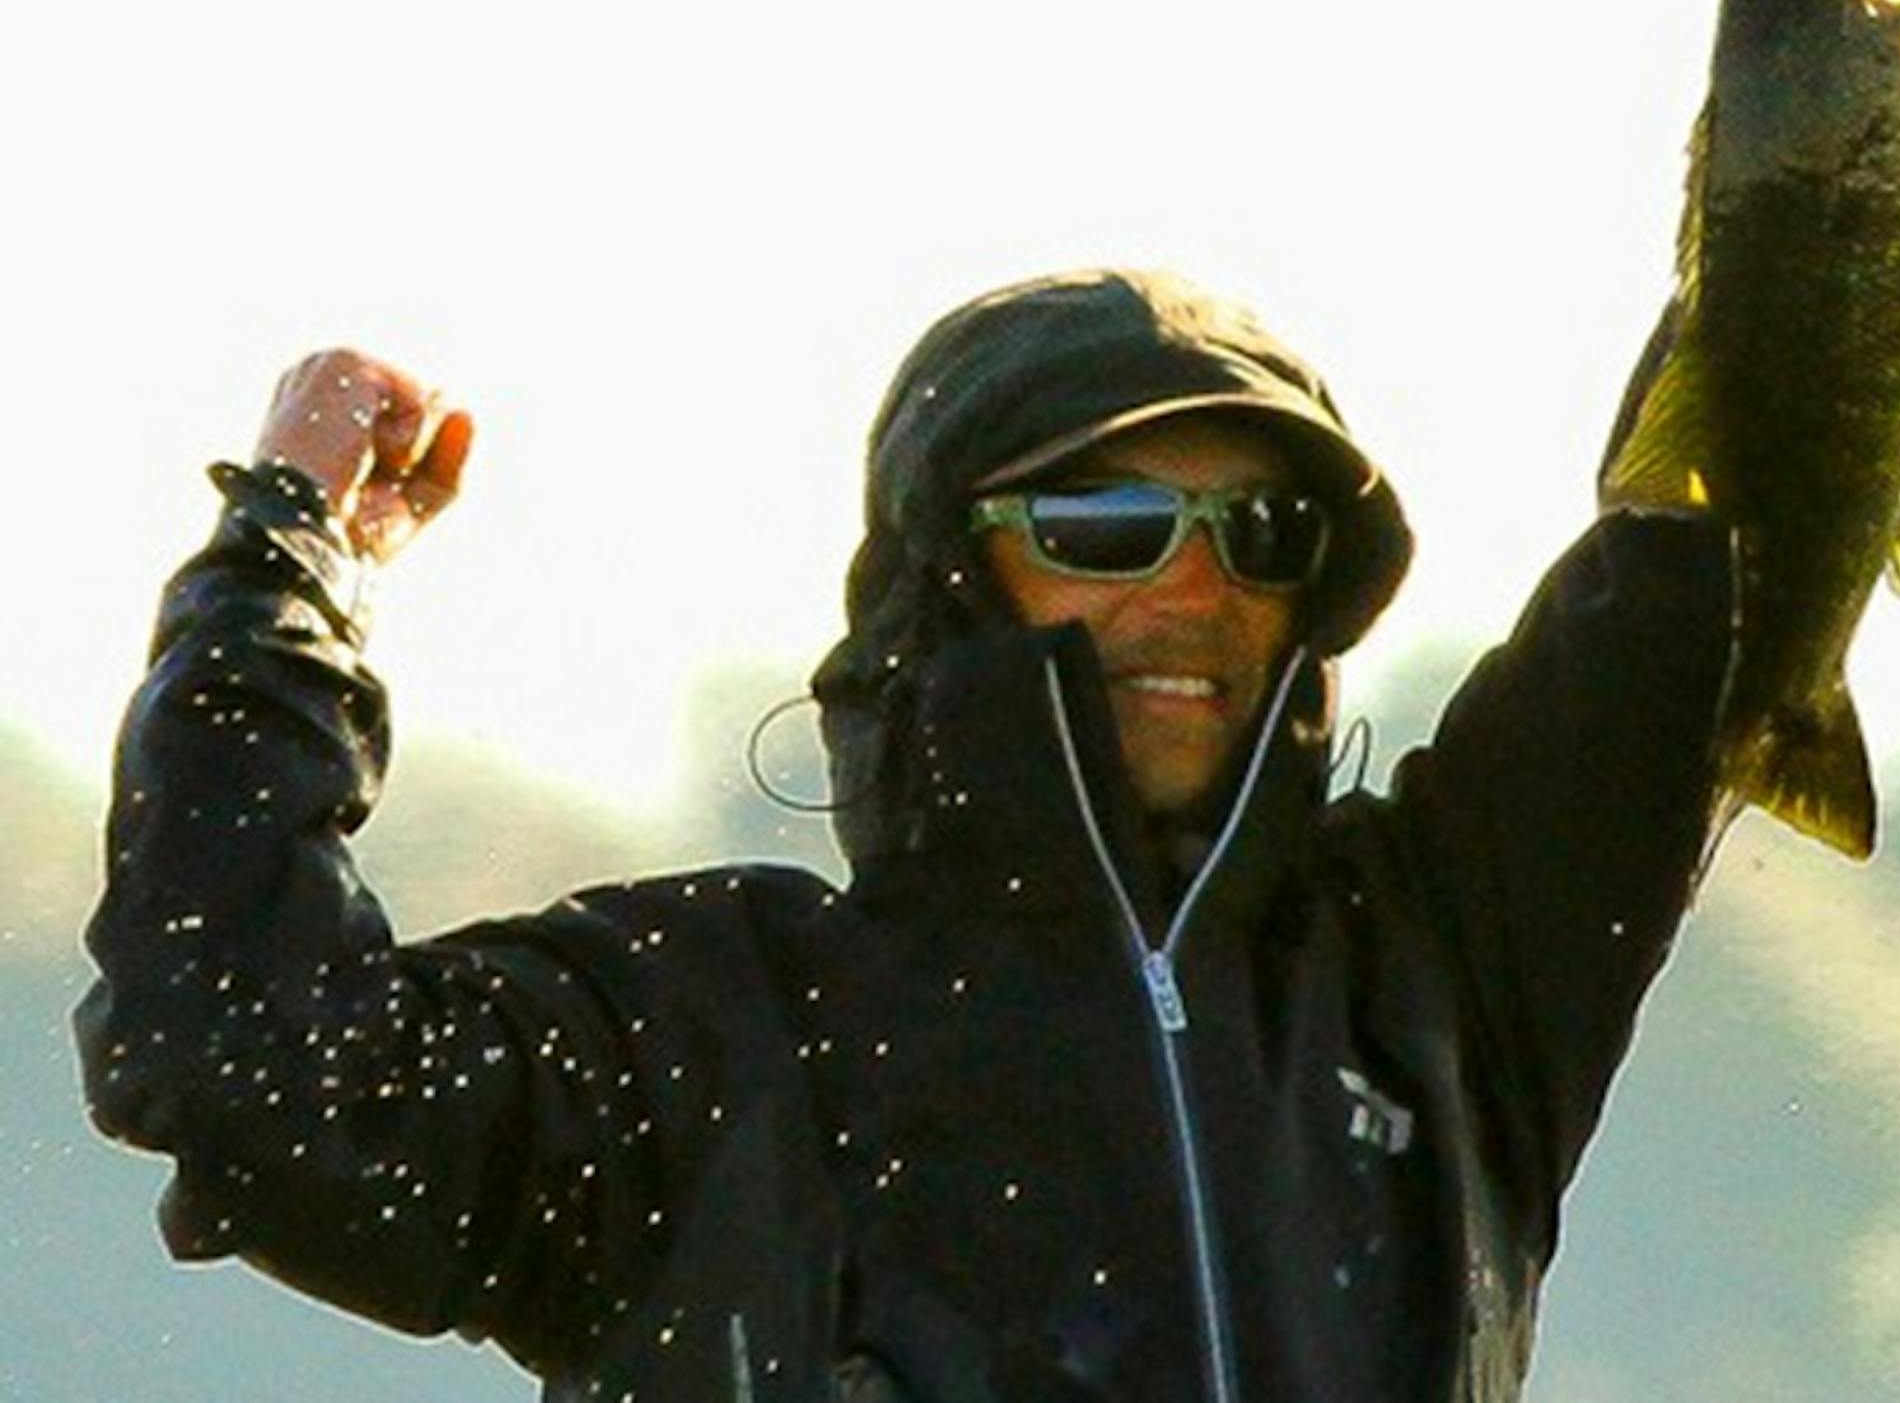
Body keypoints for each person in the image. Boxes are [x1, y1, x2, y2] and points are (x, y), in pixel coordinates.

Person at [77, 268, 1738, 1403]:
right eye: (1107, 522)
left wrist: (1857, 17)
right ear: (953, 585)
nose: (1194, 587)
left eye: (1264, 528)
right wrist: (283, 579)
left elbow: (1727, 541)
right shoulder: (702, 1031)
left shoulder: (1438, 978)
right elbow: (241, 1059)